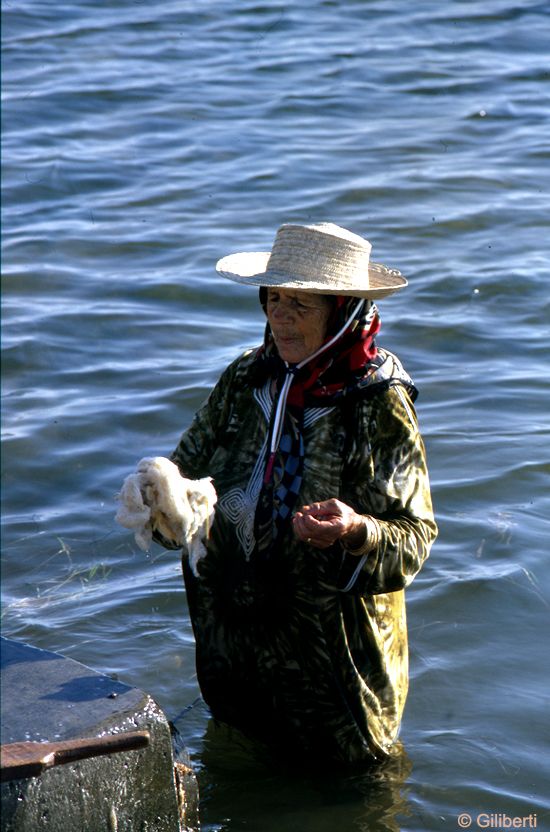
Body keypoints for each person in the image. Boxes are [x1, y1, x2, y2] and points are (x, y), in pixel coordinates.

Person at [156, 222, 437, 767]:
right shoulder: (245, 378)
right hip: (235, 657)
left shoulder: (378, 402)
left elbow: (416, 537)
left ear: (343, 311)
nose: (278, 317)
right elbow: (184, 475)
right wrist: (159, 496)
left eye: (301, 305)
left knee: (356, 802)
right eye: (273, 299)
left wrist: (357, 530)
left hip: (334, 679)